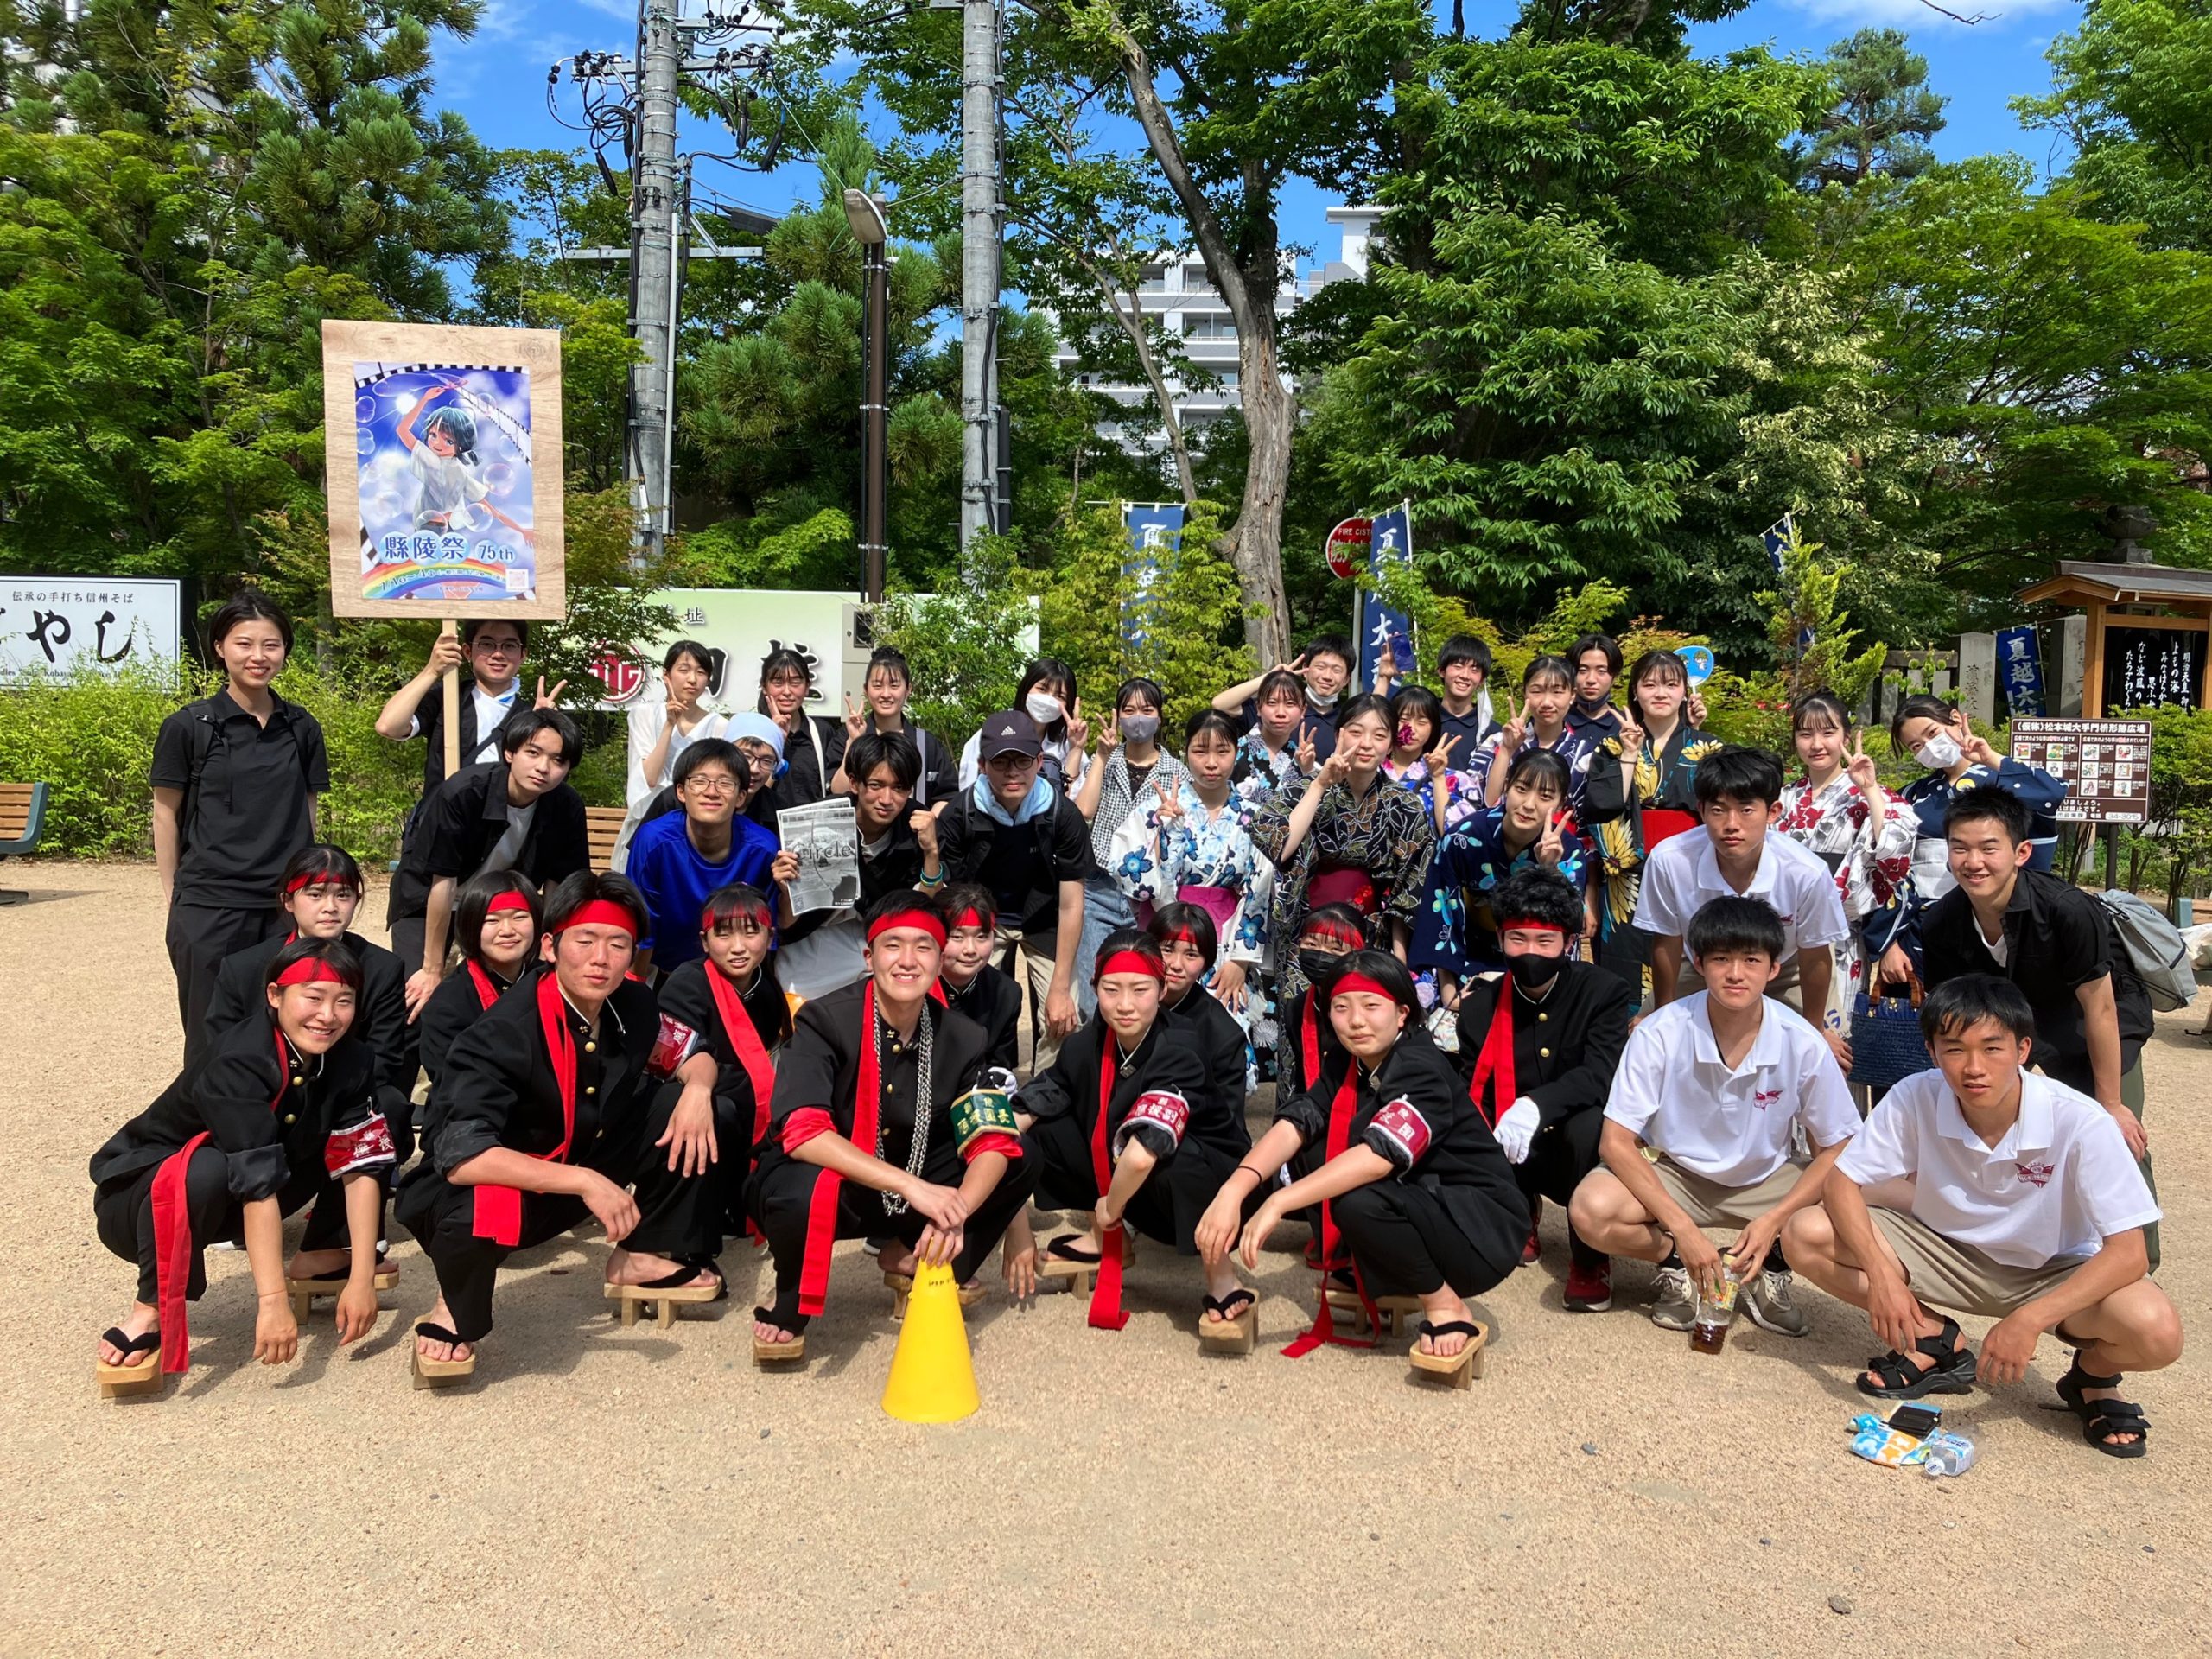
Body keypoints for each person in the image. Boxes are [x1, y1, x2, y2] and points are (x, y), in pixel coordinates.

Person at [1783, 976, 2178, 1454]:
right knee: (1804, 1233)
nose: (1974, 1068)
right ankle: (1932, 1339)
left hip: (2050, 1269)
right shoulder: (1914, 1095)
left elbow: (2130, 1253)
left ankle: (2091, 1378)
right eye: (1954, 1049)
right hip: (1943, 1249)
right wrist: (1880, 1278)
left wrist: (2029, 1321)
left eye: (1993, 1048)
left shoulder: (2081, 1120)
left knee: (2157, 1331)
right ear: (1931, 1052)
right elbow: (1843, 1181)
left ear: (2023, 1049)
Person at [396, 873, 728, 1382]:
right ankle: (451, 1306)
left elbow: (690, 1052)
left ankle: (639, 1256)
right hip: (498, 1180)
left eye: (618, 944)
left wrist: (699, 1092)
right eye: (586, 941)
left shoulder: (632, 1001)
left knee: (703, 1106)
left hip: (583, 1150)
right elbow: (464, 1156)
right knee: (478, 1208)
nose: (602, 958)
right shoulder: (502, 1031)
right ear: (551, 947)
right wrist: (588, 1182)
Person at [92, 938, 395, 1389]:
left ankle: (318, 1256)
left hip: (232, 1196)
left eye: (344, 1001)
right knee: (207, 1168)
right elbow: (257, 1183)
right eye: (312, 998)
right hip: (144, 1207)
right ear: (275, 996)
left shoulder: (353, 1057)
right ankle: (148, 1311)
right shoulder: (239, 1059)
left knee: (364, 1137)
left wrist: (362, 1278)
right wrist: (273, 1303)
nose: (327, 1016)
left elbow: (362, 1164)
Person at [1201, 950, 1527, 1366]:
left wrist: (1278, 1201)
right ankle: (1355, 1269)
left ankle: (1445, 1304)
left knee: (1361, 1202)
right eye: (1341, 1007)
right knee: (1305, 1150)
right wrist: (1237, 1186)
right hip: (1428, 1200)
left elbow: (1380, 1156)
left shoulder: (1421, 1066)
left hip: (1481, 1228)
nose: (1356, 1020)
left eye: (1371, 1006)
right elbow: (1300, 1118)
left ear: (1403, 1013)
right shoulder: (1350, 1059)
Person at [745, 893, 1035, 1357]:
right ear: (869, 956)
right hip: (842, 1187)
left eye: (923, 947)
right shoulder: (824, 1019)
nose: (907, 961)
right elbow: (802, 1131)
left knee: (1018, 1153)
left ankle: (911, 1254)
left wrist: (957, 1209)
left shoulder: (963, 1036)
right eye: (892, 945)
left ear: (940, 961)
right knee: (797, 1184)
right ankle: (791, 1297)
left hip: (916, 1181)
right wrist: (913, 1188)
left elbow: (993, 1136)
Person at [1568, 897, 1859, 1338]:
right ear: (1698, 963)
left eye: (1751, 960)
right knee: (1591, 1210)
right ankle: (1678, 1266)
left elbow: (1837, 1146)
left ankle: (1771, 1264)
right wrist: (1683, 1233)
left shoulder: (1803, 1041)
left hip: (1766, 1178)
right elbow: (1615, 1142)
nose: (1736, 973)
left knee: (1854, 1194)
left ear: (1774, 968)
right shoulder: (1658, 1032)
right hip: (1676, 1173)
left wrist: (1776, 1220)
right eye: (1721, 959)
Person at [1920, 788, 2158, 1264]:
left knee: (2116, 1136)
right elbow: (1955, 1012)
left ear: (2021, 852)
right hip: (2008, 1038)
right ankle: (2047, 1250)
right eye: (1960, 848)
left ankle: (2138, 1262)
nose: (1973, 861)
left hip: (2084, 1031)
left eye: (1989, 848)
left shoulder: (2068, 909)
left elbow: (2101, 1009)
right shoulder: (1942, 920)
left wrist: (2109, 1103)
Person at [1014, 930, 1255, 1337]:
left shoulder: (1182, 1046)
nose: (1124, 1005)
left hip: (1201, 1186)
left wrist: (1111, 1208)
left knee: (1174, 1159)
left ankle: (1222, 1277)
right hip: (1126, 1179)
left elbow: (1145, 1151)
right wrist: (1004, 1154)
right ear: (1095, 989)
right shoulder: (1084, 1044)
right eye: (1111, 989)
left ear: (1162, 990)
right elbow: (1036, 1101)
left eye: (1140, 989)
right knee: (1044, 1129)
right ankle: (1106, 1240)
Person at [152, 590, 328, 1040]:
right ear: (220, 648)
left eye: (271, 645)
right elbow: (165, 815)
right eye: (244, 643)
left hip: (284, 906)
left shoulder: (301, 726)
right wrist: (177, 896)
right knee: (211, 1033)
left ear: (285, 650)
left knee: (287, 1030)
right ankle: (207, 1113)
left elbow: (308, 813)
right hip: (210, 905)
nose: (258, 656)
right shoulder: (189, 726)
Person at [1456, 869, 1635, 1311]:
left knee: (1592, 1123)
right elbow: (1468, 1087)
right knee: (1474, 1116)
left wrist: (1538, 1104)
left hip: (1575, 1142)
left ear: (1569, 943)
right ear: (1500, 938)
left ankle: (1591, 1258)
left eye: (1544, 940)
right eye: (1517, 938)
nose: (1530, 951)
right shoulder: (1479, 1006)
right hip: (1509, 1145)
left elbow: (1600, 1073)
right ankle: (1519, 1212)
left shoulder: (1603, 992)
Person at [201, 846, 416, 1179]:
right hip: (263, 1094)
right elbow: (219, 1049)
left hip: (343, 1094)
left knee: (389, 1103)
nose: (330, 907)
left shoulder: (382, 969)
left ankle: (341, 1228)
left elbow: (385, 1058)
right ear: (289, 901)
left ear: (356, 900)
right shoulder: (243, 968)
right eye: (315, 894)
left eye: (343, 895)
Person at [1630, 746, 1851, 1054]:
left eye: (1746, 810)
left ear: (1773, 812)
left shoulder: (1806, 872)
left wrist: (1814, 1031)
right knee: (1647, 1041)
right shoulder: (1669, 860)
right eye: (1718, 810)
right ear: (1702, 809)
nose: (1731, 824)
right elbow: (1666, 942)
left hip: (1788, 970)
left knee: (1824, 1057)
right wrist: (1662, 1018)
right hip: (1700, 967)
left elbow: (1814, 956)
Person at [1250, 694, 1436, 1047]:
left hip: (1369, 940)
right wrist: (1320, 784)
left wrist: (1398, 960)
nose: (1366, 744)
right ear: (1338, 734)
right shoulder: (1303, 789)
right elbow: (1279, 845)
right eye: (1356, 731)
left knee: (1361, 1035)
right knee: (1301, 1038)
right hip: (1306, 937)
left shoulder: (1405, 804)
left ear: (1391, 743)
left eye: (1379, 735)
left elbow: (1407, 890)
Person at [390, 708, 590, 1014]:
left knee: (515, 999)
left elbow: (559, 886)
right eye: (533, 753)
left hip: (503, 907)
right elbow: (443, 882)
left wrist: (548, 949)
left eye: (558, 760)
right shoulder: (464, 792)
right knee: (415, 999)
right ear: (509, 752)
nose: (543, 767)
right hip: (428, 898)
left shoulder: (566, 806)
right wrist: (432, 969)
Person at [933, 709, 1091, 1073]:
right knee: (961, 1002)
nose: (1013, 772)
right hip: (980, 919)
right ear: (982, 764)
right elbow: (951, 896)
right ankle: (976, 1083)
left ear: (1039, 761)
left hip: (1045, 918)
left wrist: (1060, 987)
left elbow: (1071, 906)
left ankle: (1045, 1100)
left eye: (1022, 760)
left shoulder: (1062, 816)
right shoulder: (960, 815)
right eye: (1001, 762)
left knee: (1064, 1016)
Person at [1108, 709, 1272, 1019]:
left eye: (1222, 752)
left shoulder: (1253, 815)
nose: (1211, 763)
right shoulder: (1157, 808)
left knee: (1228, 1034)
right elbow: (1132, 877)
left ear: (1236, 753)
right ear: (1186, 753)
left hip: (1226, 945)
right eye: (1200, 751)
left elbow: (1259, 887)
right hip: (1163, 941)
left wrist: (1241, 960)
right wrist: (1158, 827)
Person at [1581, 648, 1724, 1007]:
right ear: (1635, 692)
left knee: (1688, 959)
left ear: (1685, 693)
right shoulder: (1612, 746)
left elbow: (1721, 809)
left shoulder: (1708, 748)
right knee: (1623, 967)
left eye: (1671, 684)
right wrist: (1630, 753)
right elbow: (1601, 804)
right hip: (1626, 873)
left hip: (1691, 870)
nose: (1661, 693)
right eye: (1650, 684)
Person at [654, 882, 792, 1241]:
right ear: (704, 942)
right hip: (694, 1098)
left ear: (770, 936)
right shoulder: (685, 984)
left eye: (751, 933)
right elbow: (671, 1061)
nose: (738, 948)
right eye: (723, 934)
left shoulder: (765, 984)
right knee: (724, 1109)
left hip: (742, 1098)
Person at [1775, 691, 1916, 1017]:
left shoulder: (1866, 795)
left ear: (1846, 737)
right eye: (1805, 734)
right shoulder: (1783, 797)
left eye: (1828, 733)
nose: (1816, 744)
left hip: (1839, 934)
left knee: (1836, 1031)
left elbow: (1892, 856)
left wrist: (1869, 788)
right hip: (1782, 933)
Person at [1412, 749, 1589, 989]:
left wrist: (1549, 870)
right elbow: (1442, 917)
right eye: (1522, 789)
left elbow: (1567, 930)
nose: (1528, 804)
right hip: (1467, 959)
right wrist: (1449, 994)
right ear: (1506, 786)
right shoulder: (1464, 839)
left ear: (1561, 802)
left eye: (1545, 796)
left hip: (1539, 965)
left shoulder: (1568, 850)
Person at [775, 730, 925, 997]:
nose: (887, 800)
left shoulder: (914, 828)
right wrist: (787, 888)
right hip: (812, 941)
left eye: (899, 787)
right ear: (854, 783)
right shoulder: (817, 822)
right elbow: (787, 923)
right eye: (876, 785)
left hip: (877, 939)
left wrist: (933, 852)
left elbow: (922, 908)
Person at [1891, 694, 2067, 920]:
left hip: (2007, 915)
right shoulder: (1912, 794)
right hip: (1929, 919)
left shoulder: (2003, 778)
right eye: (1916, 746)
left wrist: (1991, 758)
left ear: (1955, 718)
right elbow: (1891, 864)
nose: (1929, 747)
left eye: (1932, 733)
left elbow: (2051, 793)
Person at [1071, 677, 1187, 1014]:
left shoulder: (1177, 771)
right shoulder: (1105, 761)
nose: (1139, 717)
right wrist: (1101, 757)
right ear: (1118, 717)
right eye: (1130, 710)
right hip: (1099, 888)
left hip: (1150, 897)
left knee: (1145, 986)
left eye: (1147, 710)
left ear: (1160, 718)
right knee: (1095, 991)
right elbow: (1084, 811)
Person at [628, 738, 780, 979]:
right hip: (665, 971)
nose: (711, 792)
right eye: (699, 781)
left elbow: (766, 933)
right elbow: (642, 926)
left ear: (740, 797)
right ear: (680, 791)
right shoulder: (654, 841)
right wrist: (636, 991)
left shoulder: (763, 848)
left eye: (725, 783)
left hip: (736, 976)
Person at [374, 619, 556, 800]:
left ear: (523, 654)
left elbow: (544, 778)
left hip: (503, 822)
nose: (498, 654)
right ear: (468, 651)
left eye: (509, 645)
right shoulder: (447, 697)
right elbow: (388, 726)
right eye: (486, 644)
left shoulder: (529, 713)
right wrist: (431, 670)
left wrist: (544, 726)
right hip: (444, 821)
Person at [416, 872, 541, 1085]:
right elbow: (451, 1082)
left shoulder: (552, 981)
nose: (508, 931)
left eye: (519, 917)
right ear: (470, 926)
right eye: (492, 920)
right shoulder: (447, 1004)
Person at [1148, 903, 1256, 1122]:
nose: (1176, 965)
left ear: (1207, 962)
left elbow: (1228, 1119)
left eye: (1191, 954)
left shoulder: (1224, 1034)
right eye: (1167, 950)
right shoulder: (1126, 1005)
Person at [833, 645, 958, 807]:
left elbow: (948, 796)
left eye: (894, 686)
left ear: (908, 690)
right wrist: (853, 741)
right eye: (877, 686)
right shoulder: (846, 737)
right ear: (866, 690)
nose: (886, 694)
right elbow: (837, 793)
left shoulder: (926, 744)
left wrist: (929, 821)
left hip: (912, 831)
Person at [1482, 655, 1600, 814]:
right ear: (1525, 693)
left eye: (1557, 692)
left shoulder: (1587, 754)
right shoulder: (1496, 742)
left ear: (1572, 695)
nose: (1546, 702)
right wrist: (1505, 751)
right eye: (1537, 691)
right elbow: (1489, 804)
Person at [1212, 636, 1355, 766]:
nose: (1327, 676)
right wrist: (1271, 677)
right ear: (1305, 668)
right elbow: (1220, 705)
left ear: (1347, 679)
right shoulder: (1275, 711)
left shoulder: (1347, 722)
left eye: (1336, 670)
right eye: (1320, 667)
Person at [1273, 903, 1367, 1099]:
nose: (1321, 955)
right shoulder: (1296, 1008)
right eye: (1312, 945)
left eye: (1336, 949)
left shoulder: (1372, 1008)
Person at [960, 658, 1088, 793]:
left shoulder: (1068, 744)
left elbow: (1074, 801)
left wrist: (1076, 749)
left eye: (1059, 696)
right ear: (1026, 688)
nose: (1048, 699)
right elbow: (968, 789)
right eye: (1042, 689)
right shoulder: (992, 734)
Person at [938, 884, 1023, 1074]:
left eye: (982, 936)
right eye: (957, 936)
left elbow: (1000, 1065)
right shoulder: (912, 988)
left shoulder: (1006, 993)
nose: (970, 950)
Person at [1382, 684, 1487, 837]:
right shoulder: (1370, 769)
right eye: (1403, 719)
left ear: (1434, 727)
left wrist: (1438, 778)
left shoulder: (1456, 780)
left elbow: (1454, 837)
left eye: (1422, 722)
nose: (1411, 729)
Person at [631, 639, 730, 798]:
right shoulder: (644, 715)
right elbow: (649, 779)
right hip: (652, 817)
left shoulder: (720, 725)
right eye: (684, 670)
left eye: (701, 672)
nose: (692, 679)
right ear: (666, 674)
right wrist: (669, 724)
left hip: (697, 818)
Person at [757, 645, 847, 812]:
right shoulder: (753, 732)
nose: (787, 692)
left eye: (795, 683)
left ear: (807, 687)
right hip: (768, 832)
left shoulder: (821, 732)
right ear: (764, 687)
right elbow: (752, 795)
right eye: (778, 683)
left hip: (815, 832)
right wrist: (775, 740)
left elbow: (836, 790)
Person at [1230, 667, 1314, 804]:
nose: (1280, 712)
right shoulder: (1231, 752)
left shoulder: (1305, 763)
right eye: (1272, 703)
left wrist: (1309, 771)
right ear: (1258, 708)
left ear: (1303, 710)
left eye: (1290, 704)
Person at [1433, 633, 1498, 754]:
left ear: (1482, 680)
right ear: (1442, 671)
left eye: (1474, 670)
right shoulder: (1423, 720)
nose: (1465, 676)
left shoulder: (1491, 732)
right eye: (1458, 666)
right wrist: (1386, 678)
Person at [1567, 632, 1624, 743]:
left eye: (1601, 671)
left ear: (1614, 675)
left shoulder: (1626, 725)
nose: (1591, 680)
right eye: (1582, 670)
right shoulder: (1556, 722)